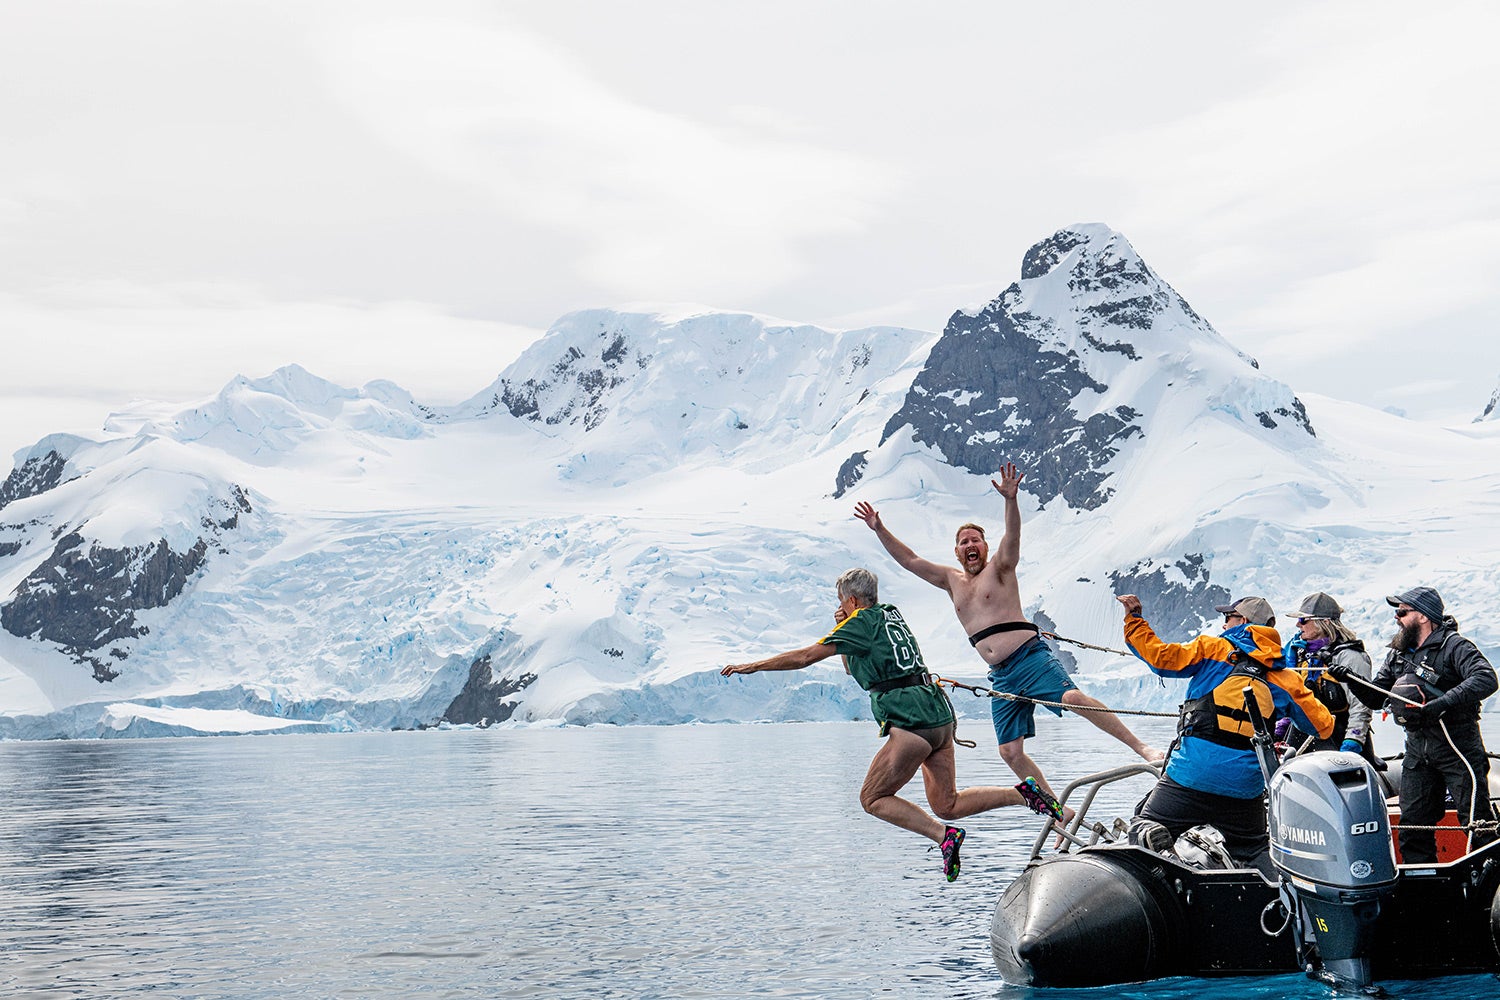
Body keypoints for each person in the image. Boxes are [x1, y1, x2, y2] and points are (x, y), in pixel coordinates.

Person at [720, 567, 1065, 882]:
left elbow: (805, 657)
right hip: (938, 718)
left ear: (851, 600)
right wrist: (843, 624)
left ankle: (943, 836)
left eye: (842, 601)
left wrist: (752, 666)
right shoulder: (890, 615)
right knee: (947, 804)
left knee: (872, 798)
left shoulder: (860, 623)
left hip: (909, 721)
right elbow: (850, 664)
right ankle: (1022, 794)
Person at [853, 463, 1161, 816]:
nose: (970, 545)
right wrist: (879, 528)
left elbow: (1013, 538)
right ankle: (1060, 811)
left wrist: (1011, 501)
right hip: (1000, 675)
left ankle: (1142, 748)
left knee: (1073, 697)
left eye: (975, 540)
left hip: (1029, 659)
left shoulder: (1000, 567)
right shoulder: (951, 580)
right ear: (956, 551)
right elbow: (909, 560)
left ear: (984, 546)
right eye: (963, 542)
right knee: (1009, 752)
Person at [1117, 593, 1333, 873]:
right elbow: (1321, 726)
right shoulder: (1284, 676)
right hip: (1244, 789)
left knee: (1144, 824)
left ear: (1241, 621)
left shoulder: (1212, 649)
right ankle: (1277, 895)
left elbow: (1161, 658)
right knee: (1252, 848)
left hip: (1190, 777)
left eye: (1227, 619)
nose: (1223, 626)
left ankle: (1156, 854)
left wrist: (1134, 621)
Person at [1339, 587, 1498, 862]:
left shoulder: (1455, 646)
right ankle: (1424, 896)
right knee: (1413, 828)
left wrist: (1443, 703)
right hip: (1417, 752)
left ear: (1423, 616)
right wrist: (1352, 680)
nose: (1396, 618)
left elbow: (1486, 678)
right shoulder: (1399, 654)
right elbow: (1378, 698)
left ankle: (1487, 891)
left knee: (1477, 823)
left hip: (1457, 748)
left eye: (1402, 612)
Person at [1279, 591, 1376, 761]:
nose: (1298, 624)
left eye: (1303, 620)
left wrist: (1353, 741)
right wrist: (1281, 729)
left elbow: (1360, 706)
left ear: (1323, 623)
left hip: (1341, 741)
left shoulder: (1350, 657)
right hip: (1304, 741)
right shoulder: (1300, 654)